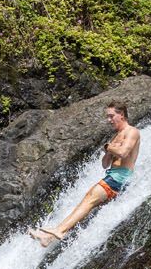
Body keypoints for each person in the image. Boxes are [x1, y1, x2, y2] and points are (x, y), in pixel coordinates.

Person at [28, 100, 140, 247]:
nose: (109, 120)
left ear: (122, 115)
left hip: (120, 177)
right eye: (108, 116)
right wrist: (108, 151)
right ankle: (49, 237)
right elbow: (105, 164)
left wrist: (108, 147)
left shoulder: (132, 132)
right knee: (86, 201)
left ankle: (59, 231)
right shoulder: (116, 136)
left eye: (111, 116)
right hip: (111, 175)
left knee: (89, 199)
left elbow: (124, 153)